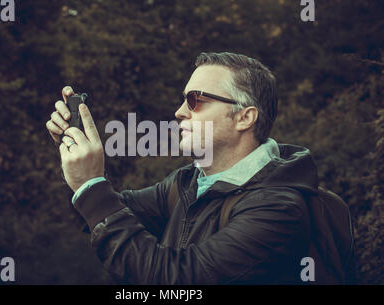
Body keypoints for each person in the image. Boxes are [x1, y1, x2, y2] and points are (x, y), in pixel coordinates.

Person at [45, 52, 319, 284]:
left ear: (244, 117)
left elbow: (177, 279)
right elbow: (99, 212)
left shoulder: (278, 208)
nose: (179, 112)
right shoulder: (189, 182)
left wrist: (91, 184)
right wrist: (75, 157)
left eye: (195, 101)